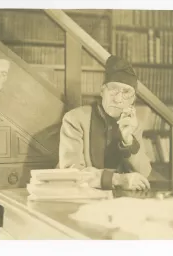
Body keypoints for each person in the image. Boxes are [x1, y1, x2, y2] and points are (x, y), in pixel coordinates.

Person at [59, 55, 152, 191]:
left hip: (119, 199)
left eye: (126, 92)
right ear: (102, 91)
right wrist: (118, 179)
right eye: (113, 89)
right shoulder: (75, 119)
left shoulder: (133, 124)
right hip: (80, 195)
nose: (119, 99)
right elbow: (71, 174)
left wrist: (128, 141)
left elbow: (144, 173)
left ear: (133, 99)